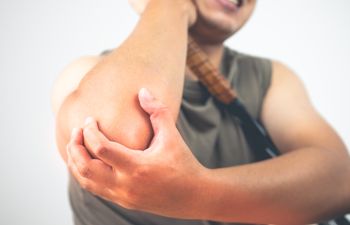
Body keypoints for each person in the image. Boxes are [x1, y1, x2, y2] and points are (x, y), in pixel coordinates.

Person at [51, 0, 350, 224]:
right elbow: (122, 135)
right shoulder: (85, 72)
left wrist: (193, 191)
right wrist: (171, 6)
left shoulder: (271, 78)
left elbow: (340, 179)